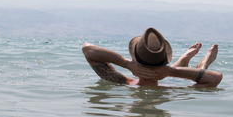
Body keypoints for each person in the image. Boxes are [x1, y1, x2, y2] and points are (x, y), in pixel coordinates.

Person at [82, 27, 223, 88]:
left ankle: (187, 59)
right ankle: (198, 62)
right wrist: (170, 72)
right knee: (183, 75)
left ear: (135, 59)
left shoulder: (123, 82)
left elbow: (87, 49)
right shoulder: (171, 91)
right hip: (168, 78)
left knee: (175, 75)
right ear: (164, 63)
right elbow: (215, 78)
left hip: (163, 74)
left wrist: (126, 64)